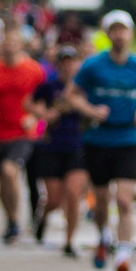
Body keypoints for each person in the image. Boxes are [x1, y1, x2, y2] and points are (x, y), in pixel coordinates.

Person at [76, 9, 136, 271]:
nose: (120, 35)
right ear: (107, 35)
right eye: (115, 30)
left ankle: (123, 256)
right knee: (101, 201)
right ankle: (103, 237)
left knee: (124, 200)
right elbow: (72, 95)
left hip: (127, 139)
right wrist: (90, 110)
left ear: (131, 34)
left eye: (124, 30)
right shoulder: (92, 66)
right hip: (98, 140)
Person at [0, 27, 48, 246]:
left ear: (22, 45)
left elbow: (45, 99)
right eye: (6, 42)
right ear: (1, 45)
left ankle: (17, 219)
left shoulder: (34, 70)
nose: (9, 46)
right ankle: (11, 221)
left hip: (24, 131)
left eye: (14, 42)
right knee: (2, 183)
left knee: (10, 171)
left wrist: (35, 118)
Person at [30, 43, 94, 254]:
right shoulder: (50, 86)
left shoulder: (85, 88)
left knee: (73, 193)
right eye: (64, 62)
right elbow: (29, 103)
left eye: (72, 62)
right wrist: (43, 115)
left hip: (79, 145)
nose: (68, 66)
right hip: (53, 145)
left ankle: (69, 240)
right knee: (55, 199)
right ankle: (44, 216)